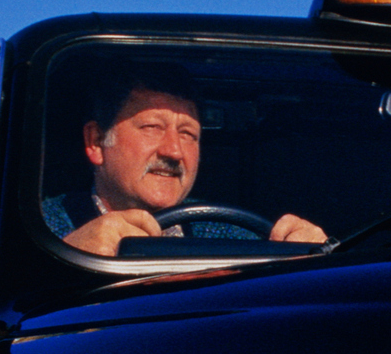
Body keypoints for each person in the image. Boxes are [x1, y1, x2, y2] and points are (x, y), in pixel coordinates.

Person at [43, 63, 327, 256]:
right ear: (96, 141)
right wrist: (61, 261)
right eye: (152, 127)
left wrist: (313, 261)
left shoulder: (234, 237)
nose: (174, 151)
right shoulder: (41, 229)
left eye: (188, 134)